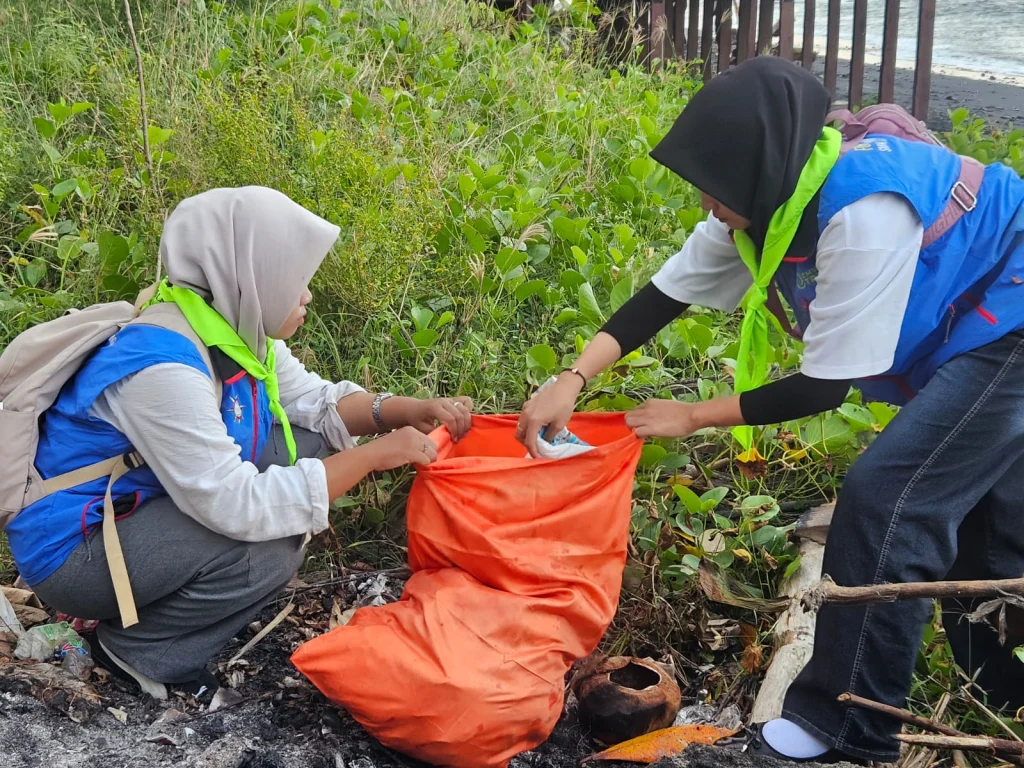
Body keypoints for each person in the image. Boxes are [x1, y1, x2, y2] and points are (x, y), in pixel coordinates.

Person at [517, 56, 1024, 764]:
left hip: (1011, 317)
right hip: (979, 325)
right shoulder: (767, 204)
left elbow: (824, 388)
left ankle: (849, 733)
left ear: (756, 172)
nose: (706, 207)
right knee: (990, 534)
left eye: (714, 192)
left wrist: (690, 415)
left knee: (890, 502)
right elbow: (664, 296)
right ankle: (1003, 698)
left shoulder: (862, 211)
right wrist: (572, 377)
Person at [8, 187, 472, 700]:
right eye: (298, 281)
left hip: (132, 512)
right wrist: (367, 459)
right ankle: (137, 652)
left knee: (310, 442)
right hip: (77, 554)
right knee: (270, 547)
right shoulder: (162, 367)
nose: (307, 296)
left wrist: (411, 409)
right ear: (251, 276)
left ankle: (171, 603)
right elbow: (236, 506)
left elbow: (315, 402)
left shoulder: (232, 331)